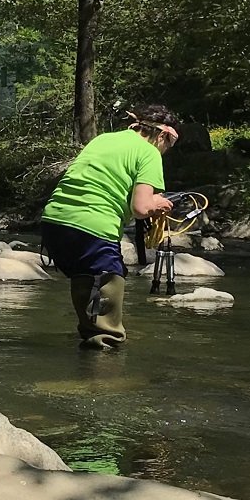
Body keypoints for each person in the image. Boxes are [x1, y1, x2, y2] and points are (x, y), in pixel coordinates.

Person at [40, 104, 180, 350]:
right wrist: (157, 203)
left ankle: (88, 353)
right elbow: (141, 208)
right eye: (171, 143)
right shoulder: (149, 153)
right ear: (162, 135)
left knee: (88, 282)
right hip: (94, 227)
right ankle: (105, 380)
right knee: (106, 309)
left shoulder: (103, 140)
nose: (168, 149)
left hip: (55, 224)